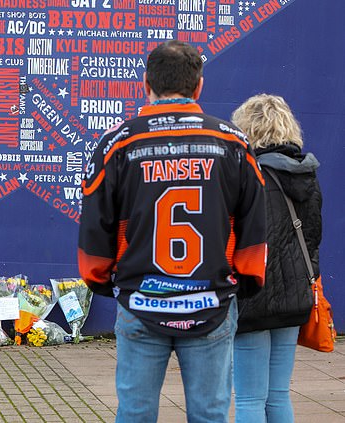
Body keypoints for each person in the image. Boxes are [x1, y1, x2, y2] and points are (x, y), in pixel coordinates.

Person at [78, 40, 267, 423]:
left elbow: (96, 224)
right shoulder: (232, 142)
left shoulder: (118, 143)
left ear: (145, 83)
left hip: (140, 301)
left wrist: (102, 280)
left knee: (134, 414)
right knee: (210, 415)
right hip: (211, 302)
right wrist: (243, 281)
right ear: (199, 87)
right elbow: (256, 222)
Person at [231, 94, 322, 423]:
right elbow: (312, 238)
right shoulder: (306, 176)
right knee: (278, 394)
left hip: (252, 297)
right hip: (294, 297)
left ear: (248, 128)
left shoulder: (247, 176)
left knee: (249, 399)